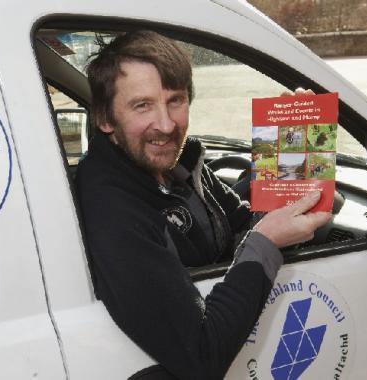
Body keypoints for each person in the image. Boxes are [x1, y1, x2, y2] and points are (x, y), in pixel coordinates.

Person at [76, 30, 331, 379]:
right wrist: (265, 243)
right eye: (142, 105)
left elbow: (242, 225)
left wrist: (287, 153)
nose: (165, 125)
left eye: (176, 100)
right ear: (105, 119)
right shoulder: (112, 209)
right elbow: (201, 357)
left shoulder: (178, 166)